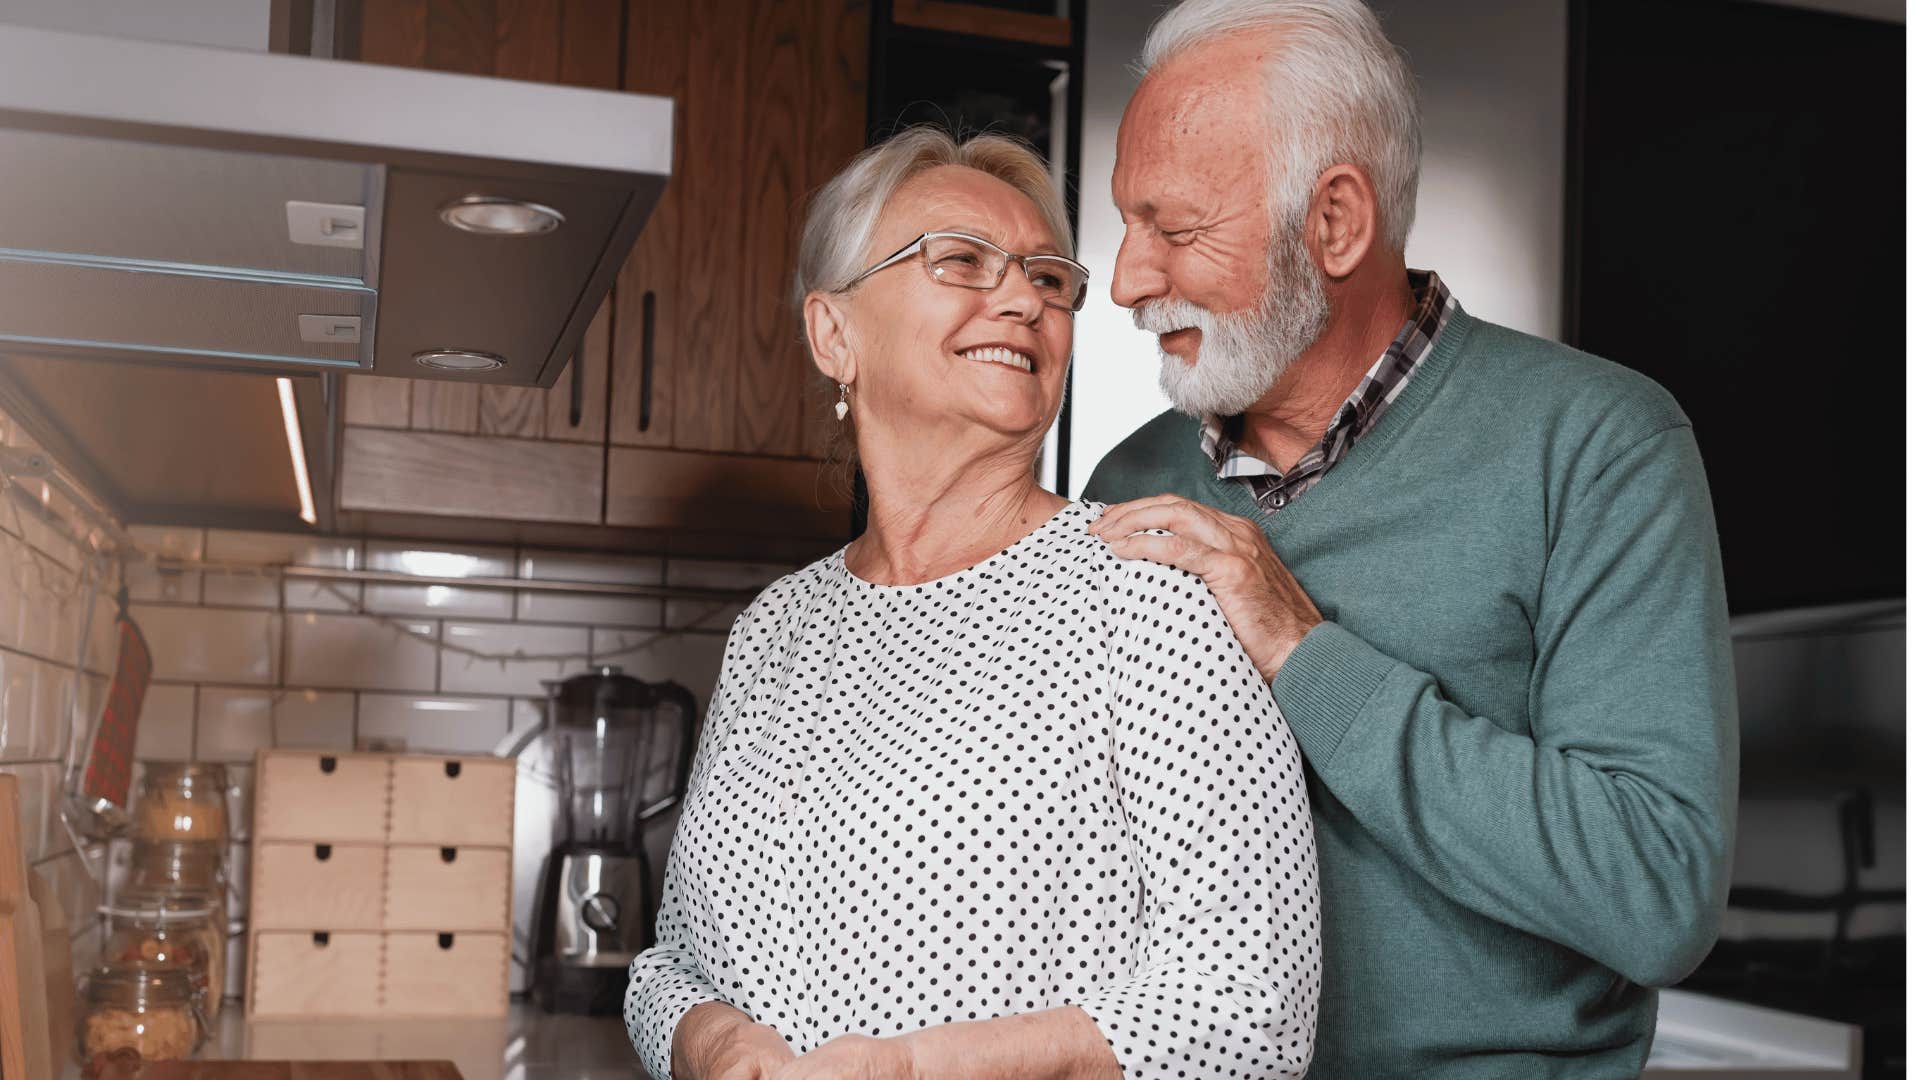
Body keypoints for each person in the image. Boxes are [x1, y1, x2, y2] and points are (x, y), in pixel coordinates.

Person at [1081, 2, 1738, 1076]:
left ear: (1335, 221)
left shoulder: (1600, 447)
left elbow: (1657, 891)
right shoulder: (1131, 480)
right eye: (1127, 226)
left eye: (1178, 229)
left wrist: (1305, 652)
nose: (1127, 282)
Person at [625, 127, 1321, 1080]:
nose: (1021, 300)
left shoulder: (1147, 593)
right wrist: (710, 1043)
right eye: (960, 261)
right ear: (835, 335)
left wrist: (911, 1069)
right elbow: (669, 962)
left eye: (1046, 278)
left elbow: (1252, 1011)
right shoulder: (773, 628)